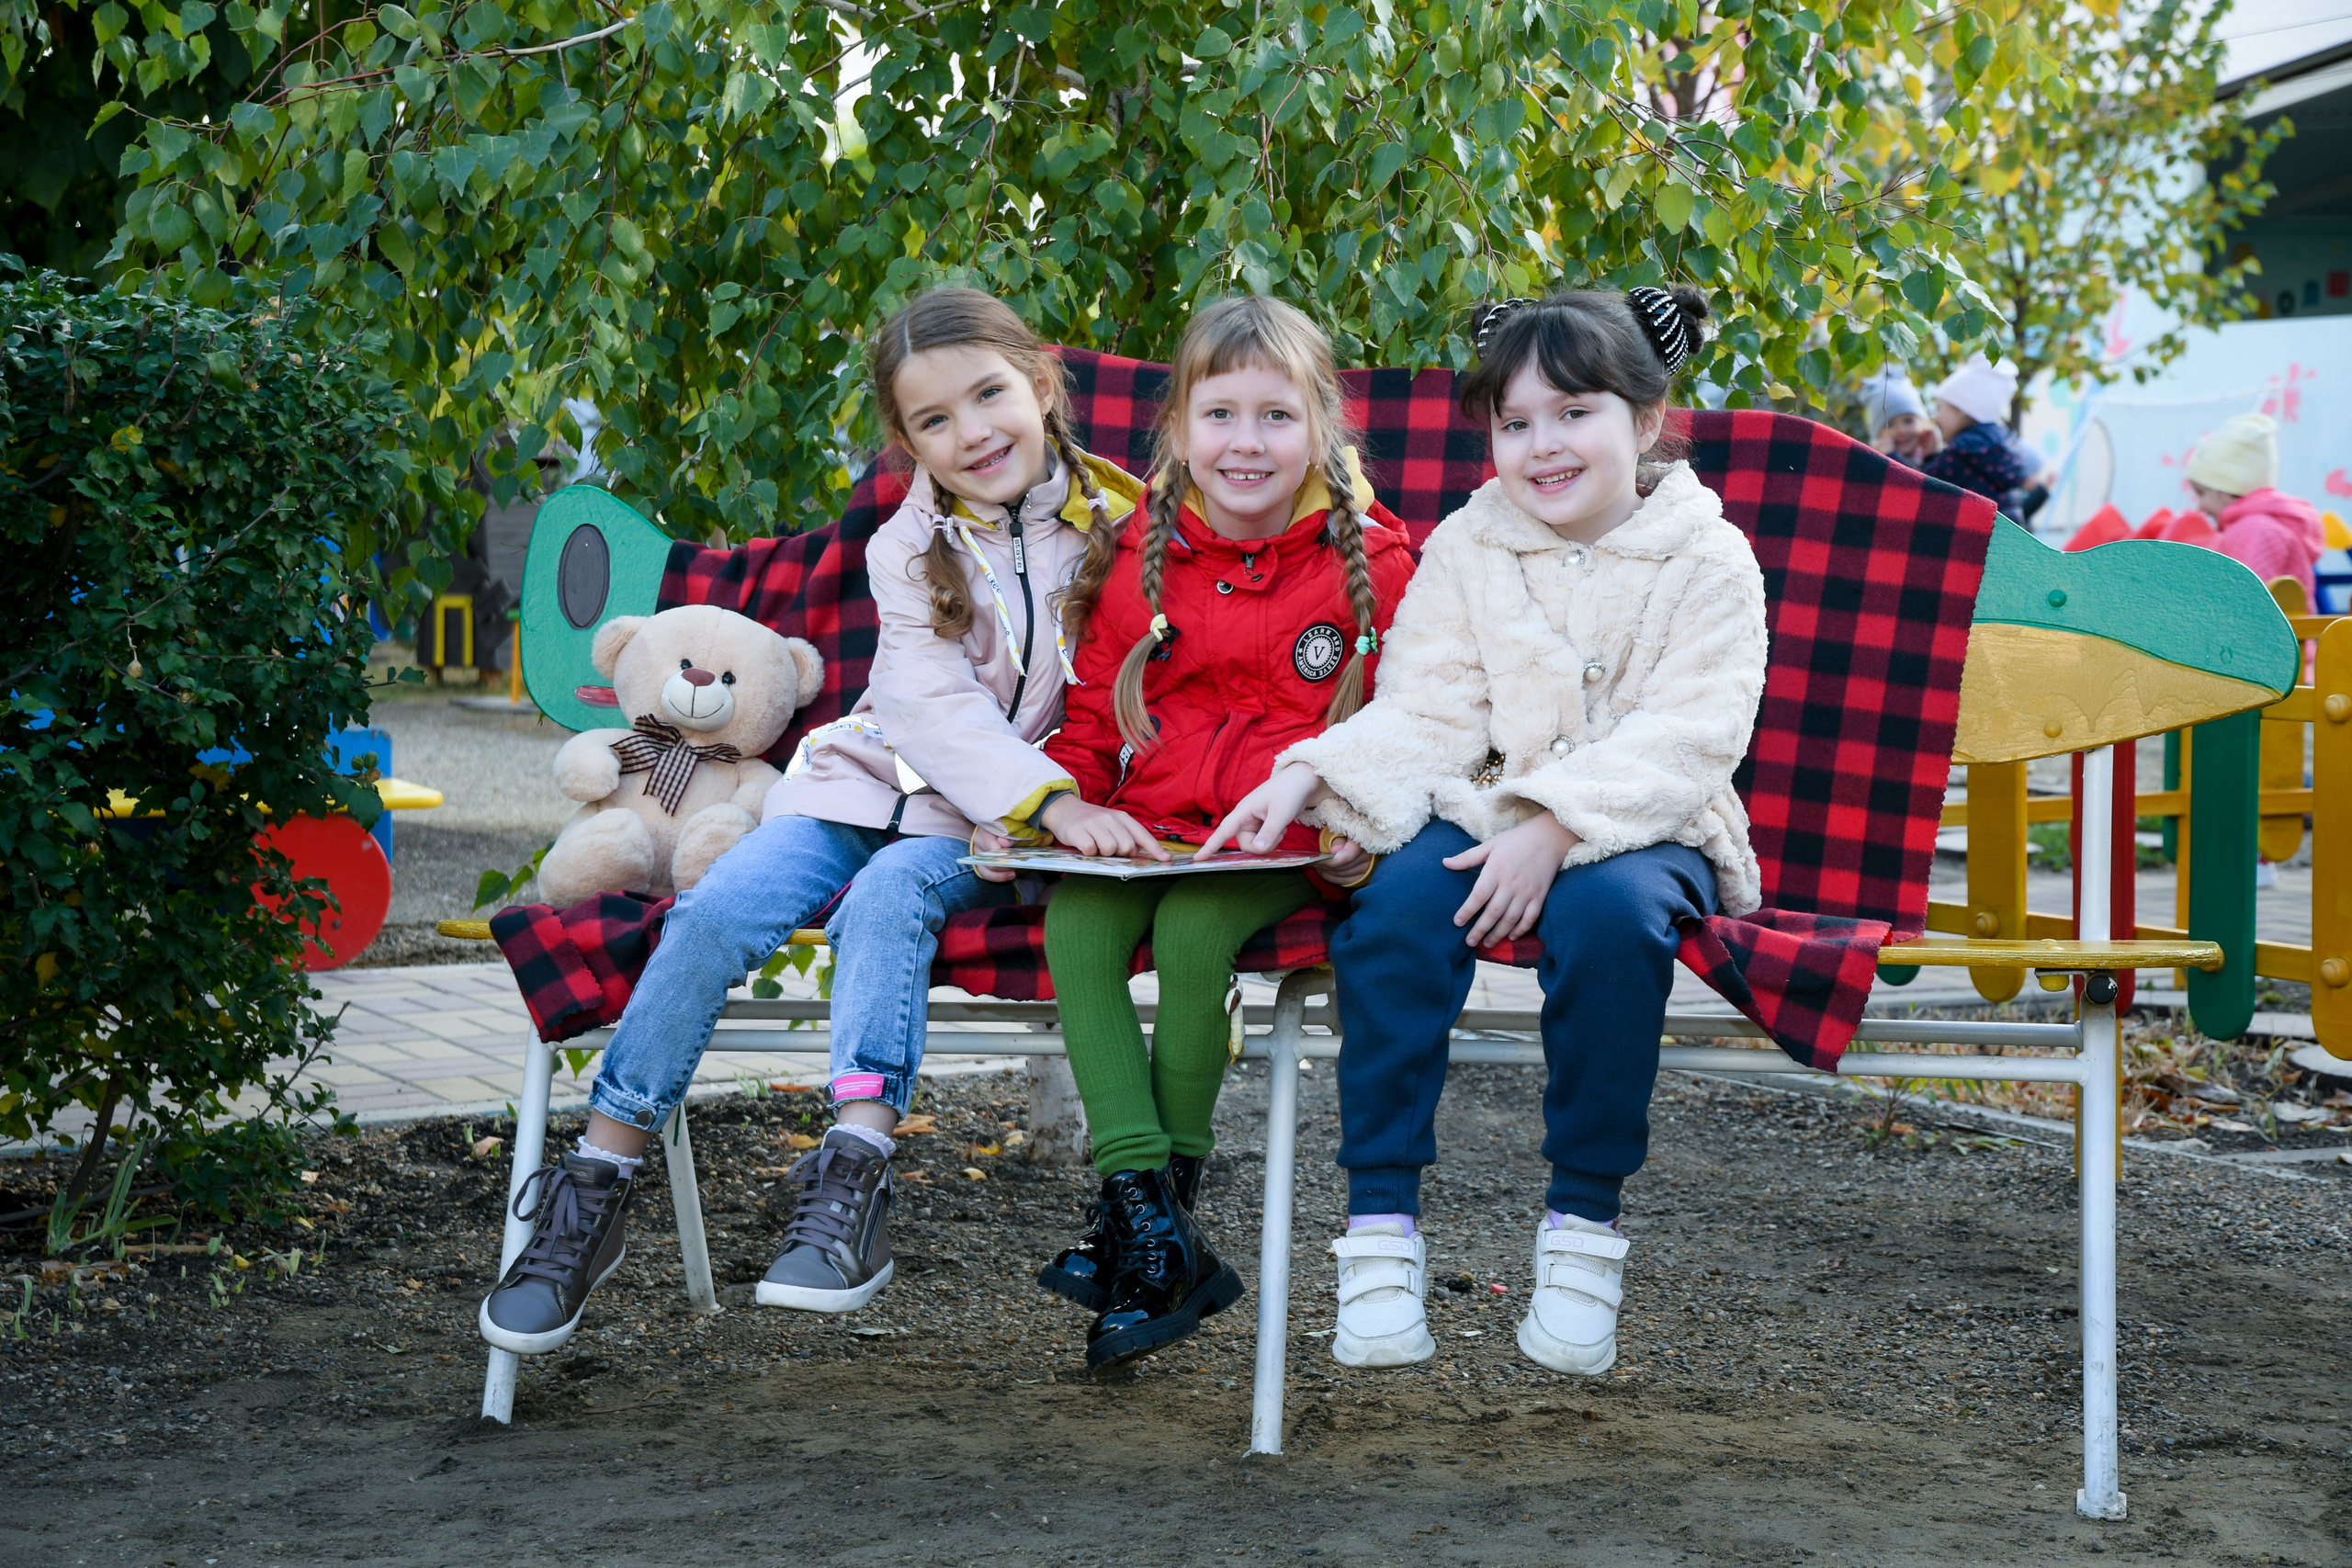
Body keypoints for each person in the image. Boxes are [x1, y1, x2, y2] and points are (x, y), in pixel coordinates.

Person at [478, 287, 1144, 1355]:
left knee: (884, 902)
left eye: (988, 395)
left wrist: (1048, 805)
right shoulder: (904, 546)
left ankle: (851, 1182)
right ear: (906, 439)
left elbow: (1122, 691)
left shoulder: (1121, 534)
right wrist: (1046, 796)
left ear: (1040, 384)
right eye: (933, 420)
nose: (971, 433)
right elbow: (923, 700)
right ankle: (594, 1186)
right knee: (710, 911)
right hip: (855, 781)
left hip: (975, 823)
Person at [1204, 286, 1768, 1378]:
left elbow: (1692, 733)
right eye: (1514, 424)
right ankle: (1377, 1230)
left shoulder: (1708, 557)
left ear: (1645, 421)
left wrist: (1554, 826)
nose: (1541, 447)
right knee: (1399, 908)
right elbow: (1428, 706)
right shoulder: (1471, 545)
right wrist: (1311, 776)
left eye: (1573, 414)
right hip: (1483, 799)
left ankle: (1582, 1231)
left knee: (1612, 921)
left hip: (1647, 819)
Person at [1014, 296, 1416, 1373]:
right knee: (1079, 929)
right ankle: (1154, 1230)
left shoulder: (1370, 560)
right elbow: (1095, 716)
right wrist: (1072, 808)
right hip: (1149, 819)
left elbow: (1401, 726)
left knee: (1194, 938)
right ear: (1179, 428)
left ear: (1323, 424)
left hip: (1277, 839)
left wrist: (1354, 824)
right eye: (1221, 414)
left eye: (1277, 417)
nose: (1247, 444)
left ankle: (1147, 1232)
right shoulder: (1140, 550)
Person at [2181, 413, 2324, 605]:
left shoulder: (2255, 531)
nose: (2200, 507)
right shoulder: (2252, 527)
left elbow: (2246, 607)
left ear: (2226, 490)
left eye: (2202, 493)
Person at [1920, 355, 2052, 521]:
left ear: (1961, 410)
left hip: (1975, 542)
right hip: (2004, 540)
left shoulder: (1962, 449)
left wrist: (1928, 457)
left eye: (1940, 408)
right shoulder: (2001, 443)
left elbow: (1924, 487)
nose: (1936, 418)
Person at [1859, 367, 1938, 467]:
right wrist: (1890, 458)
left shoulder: (1939, 461)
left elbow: (1930, 481)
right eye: (1890, 425)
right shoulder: (1872, 467)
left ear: (1923, 424)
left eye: (1909, 421)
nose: (1901, 431)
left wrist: (1932, 457)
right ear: (1878, 436)